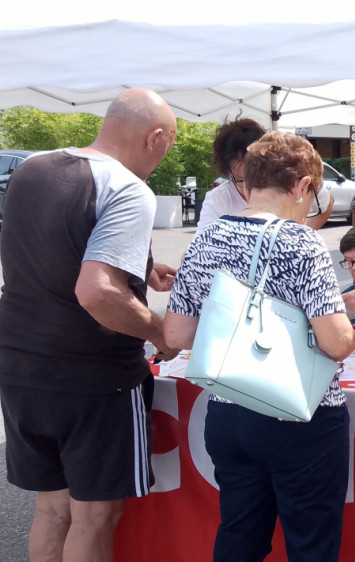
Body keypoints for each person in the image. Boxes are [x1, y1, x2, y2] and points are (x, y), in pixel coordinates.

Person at [0, 88, 180, 562]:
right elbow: (96, 292)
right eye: (170, 144)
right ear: (155, 136)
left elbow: (52, 250)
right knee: (93, 519)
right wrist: (161, 332)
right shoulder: (128, 188)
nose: (165, 155)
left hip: (19, 368)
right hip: (93, 380)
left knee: (51, 510)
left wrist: (139, 266)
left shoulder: (30, 169)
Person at [163, 131, 355, 561]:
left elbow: (175, 336)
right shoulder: (302, 243)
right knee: (311, 542)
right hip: (300, 419)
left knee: (239, 535)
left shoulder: (206, 238)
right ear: (303, 185)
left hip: (229, 411)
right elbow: (337, 343)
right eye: (315, 195)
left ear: (249, 181)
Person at [196, 117, 334, 233]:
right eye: (240, 180)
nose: (247, 187)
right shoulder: (218, 199)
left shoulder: (295, 182)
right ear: (228, 173)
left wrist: (302, 234)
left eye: (256, 178)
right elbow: (194, 251)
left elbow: (327, 203)